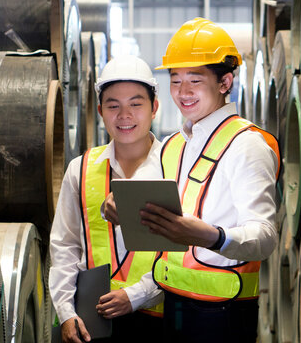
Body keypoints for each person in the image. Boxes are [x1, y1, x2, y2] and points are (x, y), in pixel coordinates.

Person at [106, 17, 281, 342]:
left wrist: (212, 236)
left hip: (224, 316)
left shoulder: (247, 145)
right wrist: (123, 212)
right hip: (172, 306)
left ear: (225, 82)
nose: (183, 92)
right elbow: (167, 248)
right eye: (175, 80)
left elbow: (266, 237)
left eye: (195, 80)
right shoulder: (174, 146)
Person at [49, 55, 164, 343]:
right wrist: (65, 312)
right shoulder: (82, 169)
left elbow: (183, 254)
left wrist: (136, 295)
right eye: (113, 106)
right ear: (100, 110)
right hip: (92, 323)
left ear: (155, 108)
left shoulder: (174, 168)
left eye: (136, 104)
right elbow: (65, 246)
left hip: (158, 318)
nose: (124, 115)